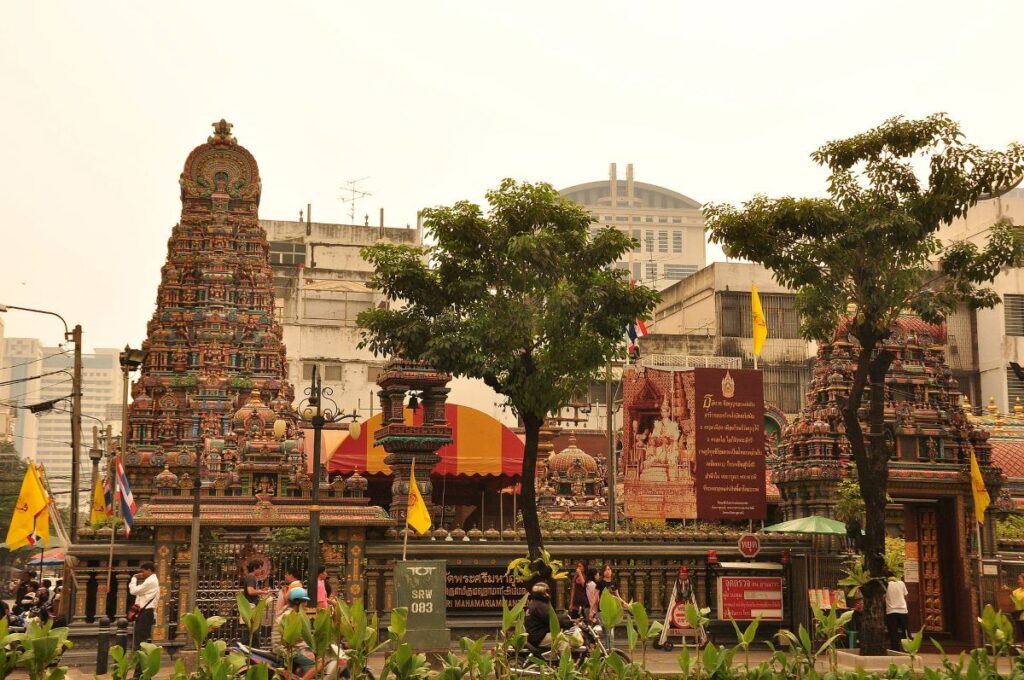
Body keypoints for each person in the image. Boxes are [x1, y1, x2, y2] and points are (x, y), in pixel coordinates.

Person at [279, 588, 321, 680]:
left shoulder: (288, 612)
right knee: (318, 662)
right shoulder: (292, 616)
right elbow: (295, 638)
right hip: (287, 650)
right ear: (297, 602)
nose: (306, 605)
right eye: (304, 602)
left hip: (288, 648)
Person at [128, 562, 159, 680]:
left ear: (149, 570)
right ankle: (140, 674)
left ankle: (139, 675)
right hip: (145, 613)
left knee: (141, 644)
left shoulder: (151, 581)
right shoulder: (150, 581)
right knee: (140, 644)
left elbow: (134, 591)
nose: (142, 573)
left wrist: (134, 578)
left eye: (143, 571)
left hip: (146, 614)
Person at [524, 582, 571, 650]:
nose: (549, 593)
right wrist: (568, 622)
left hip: (535, 636)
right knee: (562, 640)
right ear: (542, 593)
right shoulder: (540, 606)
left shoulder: (535, 603)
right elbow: (552, 620)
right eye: (547, 591)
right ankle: (566, 660)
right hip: (538, 637)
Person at [242, 559, 270, 646]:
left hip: (252, 607)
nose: (261, 571)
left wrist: (260, 590)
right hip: (251, 608)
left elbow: (252, 591)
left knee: (253, 633)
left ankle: (254, 652)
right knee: (252, 632)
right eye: (260, 568)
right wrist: (263, 592)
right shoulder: (251, 577)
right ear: (254, 568)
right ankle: (243, 649)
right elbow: (250, 591)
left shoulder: (251, 577)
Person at [885, 572, 909, 651]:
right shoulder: (901, 583)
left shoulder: (886, 585)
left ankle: (895, 649)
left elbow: (883, 597)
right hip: (903, 610)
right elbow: (906, 595)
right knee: (905, 631)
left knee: (893, 632)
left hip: (891, 611)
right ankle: (908, 649)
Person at [1012, 573, 1024, 642]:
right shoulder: (1016, 591)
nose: (1018, 581)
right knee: (1021, 638)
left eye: (1020, 579)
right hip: (1018, 617)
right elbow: (1009, 597)